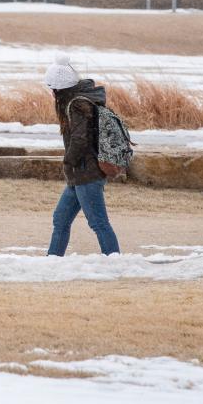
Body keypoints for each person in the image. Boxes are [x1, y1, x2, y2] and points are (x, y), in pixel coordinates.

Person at [44, 55, 120, 257]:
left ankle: (114, 261)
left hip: (87, 173)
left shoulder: (76, 105)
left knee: (98, 223)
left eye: (53, 90)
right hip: (79, 174)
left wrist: (68, 161)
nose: (52, 94)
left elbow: (80, 139)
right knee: (61, 219)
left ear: (59, 89)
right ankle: (52, 261)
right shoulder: (81, 101)